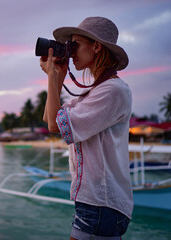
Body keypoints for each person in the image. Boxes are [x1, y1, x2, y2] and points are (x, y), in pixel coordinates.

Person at [40, 17, 133, 239]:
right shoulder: (93, 93)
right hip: (97, 203)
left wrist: (55, 76)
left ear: (96, 46)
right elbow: (48, 117)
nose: (71, 52)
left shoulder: (113, 91)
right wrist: (56, 77)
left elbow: (55, 125)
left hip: (101, 204)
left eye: (76, 45)